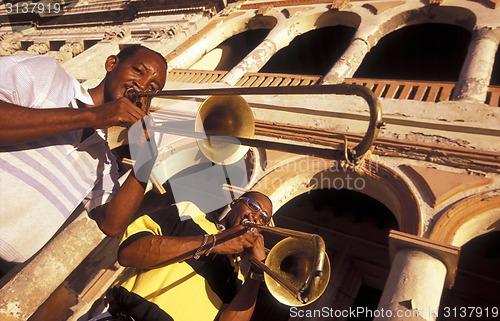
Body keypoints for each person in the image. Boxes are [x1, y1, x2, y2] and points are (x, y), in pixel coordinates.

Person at [0, 44, 167, 264]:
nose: (142, 86)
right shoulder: (48, 74)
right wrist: (91, 116)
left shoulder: (105, 162)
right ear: (111, 64)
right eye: (138, 71)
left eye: (152, 88)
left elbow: (112, 224)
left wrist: (145, 161)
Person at [102, 191, 273, 321]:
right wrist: (215, 242)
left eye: (264, 218)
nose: (256, 216)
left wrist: (256, 273)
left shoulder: (239, 275)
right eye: (253, 206)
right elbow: (129, 253)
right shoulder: (189, 213)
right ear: (235, 203)